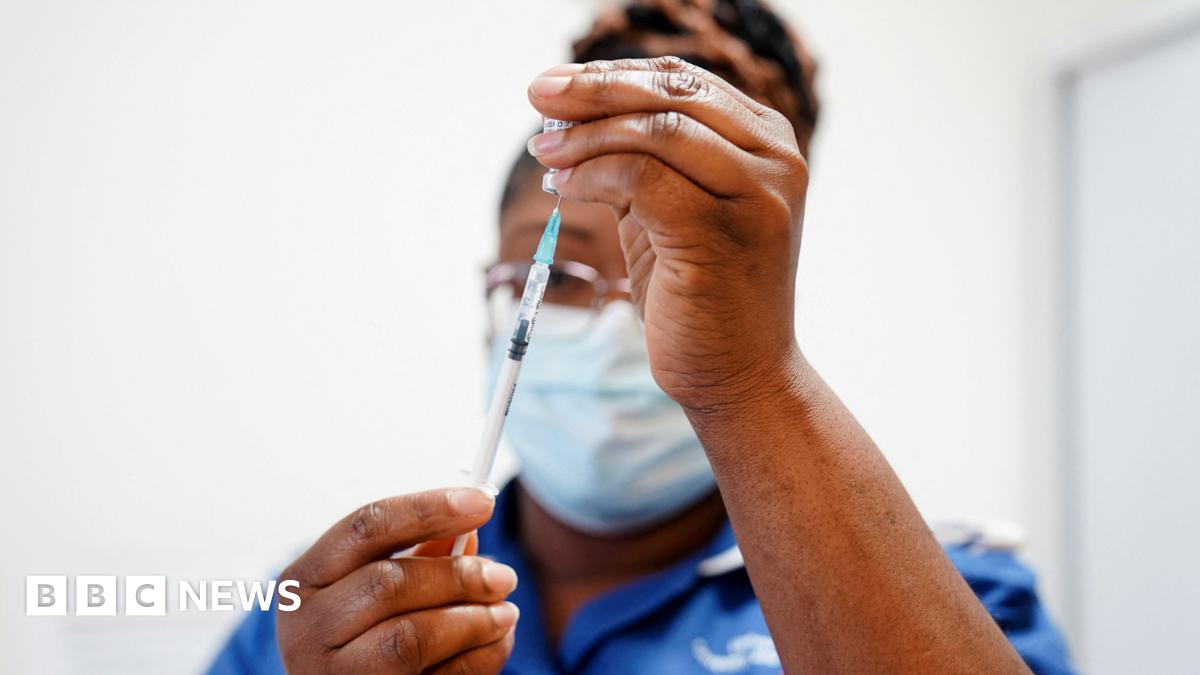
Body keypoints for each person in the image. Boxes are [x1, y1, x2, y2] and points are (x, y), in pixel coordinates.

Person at [209, 1, 1074, 673]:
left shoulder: (945, 595)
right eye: (565, 278)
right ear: (500, 284)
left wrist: (748, 382)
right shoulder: (343, 611)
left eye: (678, 272)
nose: (628, 324)